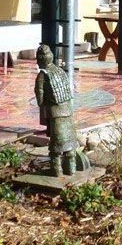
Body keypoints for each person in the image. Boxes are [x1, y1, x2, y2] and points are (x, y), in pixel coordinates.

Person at [34, 44, 90, 176]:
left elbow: (40, 98)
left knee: (56, 145)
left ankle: (57, 171)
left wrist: (43, 105)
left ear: (40, 60)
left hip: (55, 113)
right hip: (67, 110)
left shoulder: (42, 75)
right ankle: (71, 169)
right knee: (70, 143)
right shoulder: (59, 71)